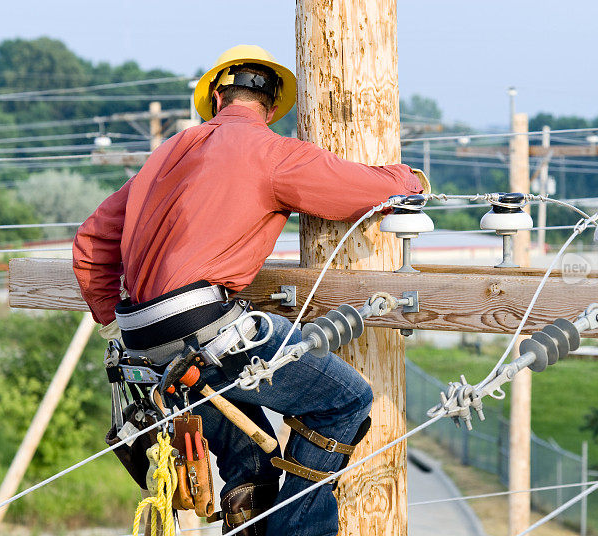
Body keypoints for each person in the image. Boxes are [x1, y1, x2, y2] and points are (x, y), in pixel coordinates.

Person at [72, 44, 426, 536]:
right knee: (344, 402)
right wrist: (409, 180)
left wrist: (112, 313)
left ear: (217, 98)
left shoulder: (165, 156)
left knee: (252, 463)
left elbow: (91, 241)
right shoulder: (271, 151)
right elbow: (363, 193)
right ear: (274, 106)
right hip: (208, 331)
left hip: (147, 346)